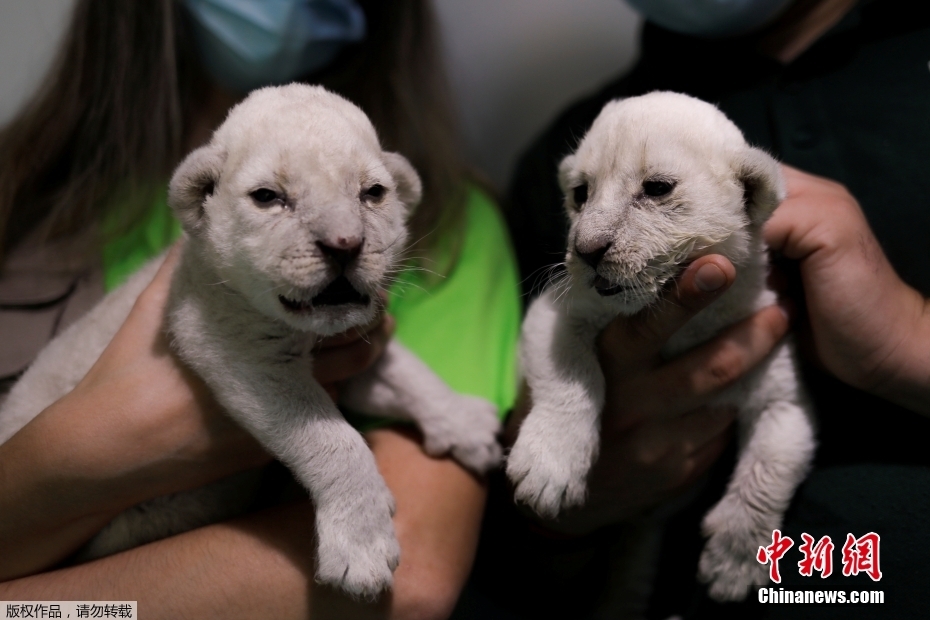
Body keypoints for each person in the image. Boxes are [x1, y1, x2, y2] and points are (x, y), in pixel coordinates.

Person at [0, 1, 521, 618]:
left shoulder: (456, 233)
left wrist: (435, 406)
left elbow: (412, 574)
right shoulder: (22, 193)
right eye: (270, 196)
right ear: (200, 201)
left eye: (374, 193)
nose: (345, 234)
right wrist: (100, 437)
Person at [460, 0, 930, 618]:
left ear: (751, 193)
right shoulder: (572, 140)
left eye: (657, 189)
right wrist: (561, 520)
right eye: (581, 197)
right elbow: (500, 553)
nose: (589, 236)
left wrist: (908, 343)